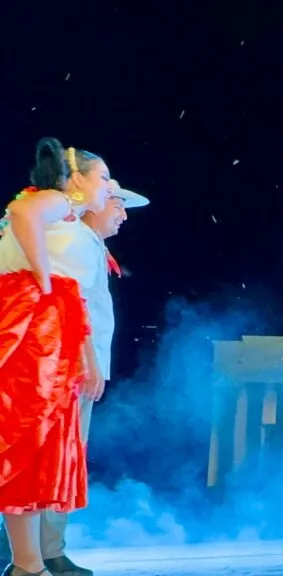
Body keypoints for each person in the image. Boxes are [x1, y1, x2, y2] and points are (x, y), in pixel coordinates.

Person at [0, 138, 111, 576]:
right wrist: (43, 283)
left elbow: (77, 301)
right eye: (103, 178)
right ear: (77, 179)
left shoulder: (70, 220)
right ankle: (28, 563)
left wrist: (87, 358)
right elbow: (22, 215)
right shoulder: (52, 201)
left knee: (35, 448)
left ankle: (28, 563)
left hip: (52, 337)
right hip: (33, 334)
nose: (108, 188)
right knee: (24, 441)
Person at [33, 181, 146, 576]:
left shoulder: (90, 244)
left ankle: (44, 549)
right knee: (50, 459)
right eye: (118, 202)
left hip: (73, 368)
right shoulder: (76, 239)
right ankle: (35, 551)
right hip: (66, 368)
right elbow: (71, 306)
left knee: (60, 460)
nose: (123, 213)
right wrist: (88, 363)